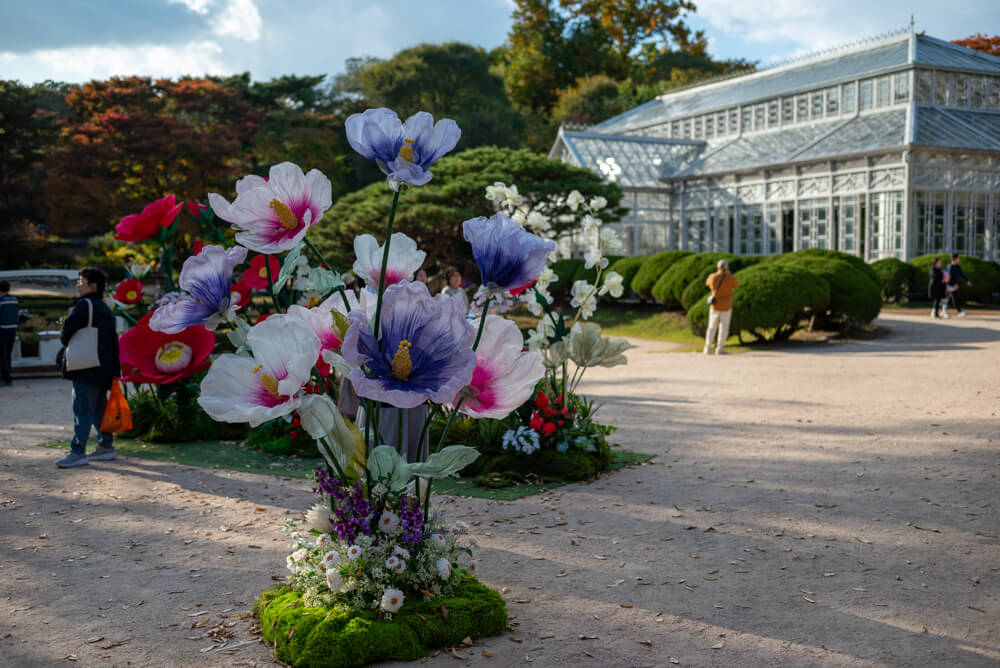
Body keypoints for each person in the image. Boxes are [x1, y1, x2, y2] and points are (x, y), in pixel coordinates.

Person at [58, 268, 121, 468]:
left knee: (82, 409)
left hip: (85, 367)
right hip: (103, 367)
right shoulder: (104, 308)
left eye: (81, 281)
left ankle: (78, 451)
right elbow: (113, 342)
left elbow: (66, 333)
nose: (78, 284)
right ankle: (106, 446)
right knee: (99, 409)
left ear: (92, 285)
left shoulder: (84, 305)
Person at [704, 259, 739, 355]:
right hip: (726, 305)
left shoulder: (712, 276)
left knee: (711, 327)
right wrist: (729, 273)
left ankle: (707, 347)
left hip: (715, 305)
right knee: (724, 327)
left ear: (717, 267)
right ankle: (720, 348)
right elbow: (736, 284)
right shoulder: (729, 278)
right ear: (727, 268)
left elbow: (707, 283)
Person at [0, 280, 17, 386]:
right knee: (8, 354)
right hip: (12, 330)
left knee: (2, 355)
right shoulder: (14, 300)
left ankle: (6, 378)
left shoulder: (1, 300)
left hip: (2, 331)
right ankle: (8, 375)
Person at [944, 253, 972, 318]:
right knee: (947, 298)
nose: (959, 259)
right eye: (958, 258)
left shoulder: (957, 266)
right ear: (955, 259)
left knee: (953, 298)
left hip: (953, 286)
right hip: (948, 286)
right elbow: (948, 278)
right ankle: (945, 311)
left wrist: (967, 281)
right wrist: (953, 285)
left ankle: (959, 311)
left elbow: (962, 274)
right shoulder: (949, 267)